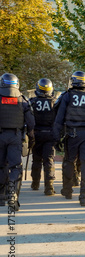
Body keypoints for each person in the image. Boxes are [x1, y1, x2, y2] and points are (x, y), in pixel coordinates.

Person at [53, 71, 85, 206]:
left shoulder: (67, 96)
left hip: (71, 134)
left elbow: (58, 119)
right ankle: (84, 196)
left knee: (69, 162)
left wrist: (56, 138)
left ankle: (68, 190)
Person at [0, 73, 35, 210]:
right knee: (15, 167)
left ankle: (1, 197)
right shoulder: (23, 100)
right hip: (15, 137)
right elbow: (31, 123)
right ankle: (13, 195)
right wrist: (31, 139)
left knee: (1, 165)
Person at [29, 78, 57, 196]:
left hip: (36, 134)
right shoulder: (55, 102)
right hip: (50, 134)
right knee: (49, 160)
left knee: (36, 159)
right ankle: (49, 186)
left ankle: (35, 183)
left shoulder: (32, 101)